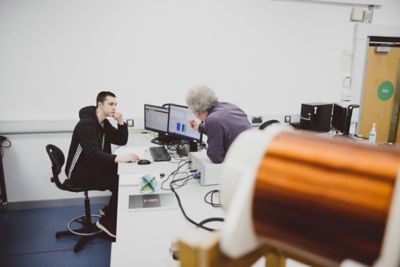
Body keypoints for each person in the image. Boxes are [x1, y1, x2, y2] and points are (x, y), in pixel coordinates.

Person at [65, 91, 139, 238]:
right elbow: (93, 154)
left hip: (92, 166)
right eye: (110, 104)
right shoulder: (86, 124)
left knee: (121, 177)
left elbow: (121, 140)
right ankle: (107, 222)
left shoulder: (102, 122)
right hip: (78, 173)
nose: (114, 108)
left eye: (115, 104)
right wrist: (120, 158)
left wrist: (120, 121)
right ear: (100, 104)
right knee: (119, 180)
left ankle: (109, 212)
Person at [186, 85, 251, 163]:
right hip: (253, 155)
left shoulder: (213, 120)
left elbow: (216, 157)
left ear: (198, 112)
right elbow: (222, 130)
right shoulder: (229, 105)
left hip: (243, 163)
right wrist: (200, 127)